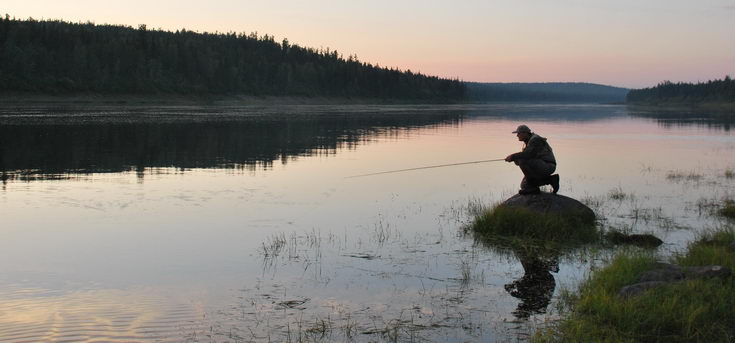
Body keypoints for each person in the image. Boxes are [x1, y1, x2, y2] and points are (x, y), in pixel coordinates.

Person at [504, 125, 560, 194]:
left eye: (518, 133)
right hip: (540, 164)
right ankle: (550, 180)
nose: (517, 135)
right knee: (524, 185)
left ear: (525, 133)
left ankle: (533, 187)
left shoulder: (535, 140)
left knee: (522, 159)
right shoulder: (528, 141)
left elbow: (529, 154)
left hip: (548, 165)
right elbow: (526, 157)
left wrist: (513, 156)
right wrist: (515, 159)